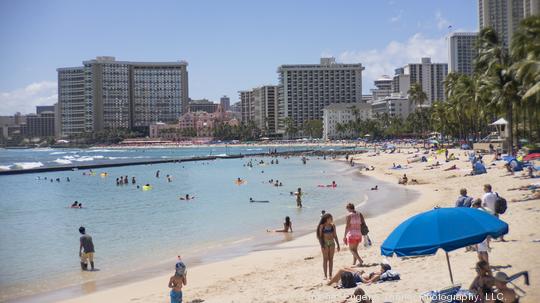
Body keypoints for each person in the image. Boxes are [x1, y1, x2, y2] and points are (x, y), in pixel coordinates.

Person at [317, 213, 340, 279]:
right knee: (325, 259)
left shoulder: (333, 226)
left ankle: (330, 275)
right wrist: (322, 244)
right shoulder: (322, 226)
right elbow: (320, 236)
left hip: (332, 243)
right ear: (326, 219)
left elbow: (335, 235)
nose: (332, 219)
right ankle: (325, 275)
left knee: (331, 259)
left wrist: (338, 244)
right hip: (325, 243)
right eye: (331, 218)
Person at [327, 263, 393, 286]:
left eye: (382, 267)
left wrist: (360, 275)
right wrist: (362, 272)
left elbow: (367, 282)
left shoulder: (378, 276)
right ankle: (334, 280)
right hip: (359, 275)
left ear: (384, 270)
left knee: (341, 270)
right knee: (345, 267)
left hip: (358, 277)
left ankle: (330, 283)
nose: (380, 268)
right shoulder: (379, 273)